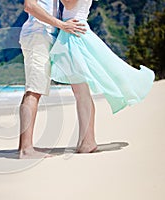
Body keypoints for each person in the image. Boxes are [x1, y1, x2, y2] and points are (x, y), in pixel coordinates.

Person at [50, 0, 155, 153]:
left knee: (81, 94)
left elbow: (69, 5)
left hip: (74, 32)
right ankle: (86, 140)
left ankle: (88, 141)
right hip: (74, 30)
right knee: (81, 93)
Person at [18, 0, 87, 159]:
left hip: (45, 34)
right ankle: (26, 149)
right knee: (33, 90)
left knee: (34, 90)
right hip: (38, 34)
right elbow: (30, 6)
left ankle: (24, 146)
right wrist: (61, 25)